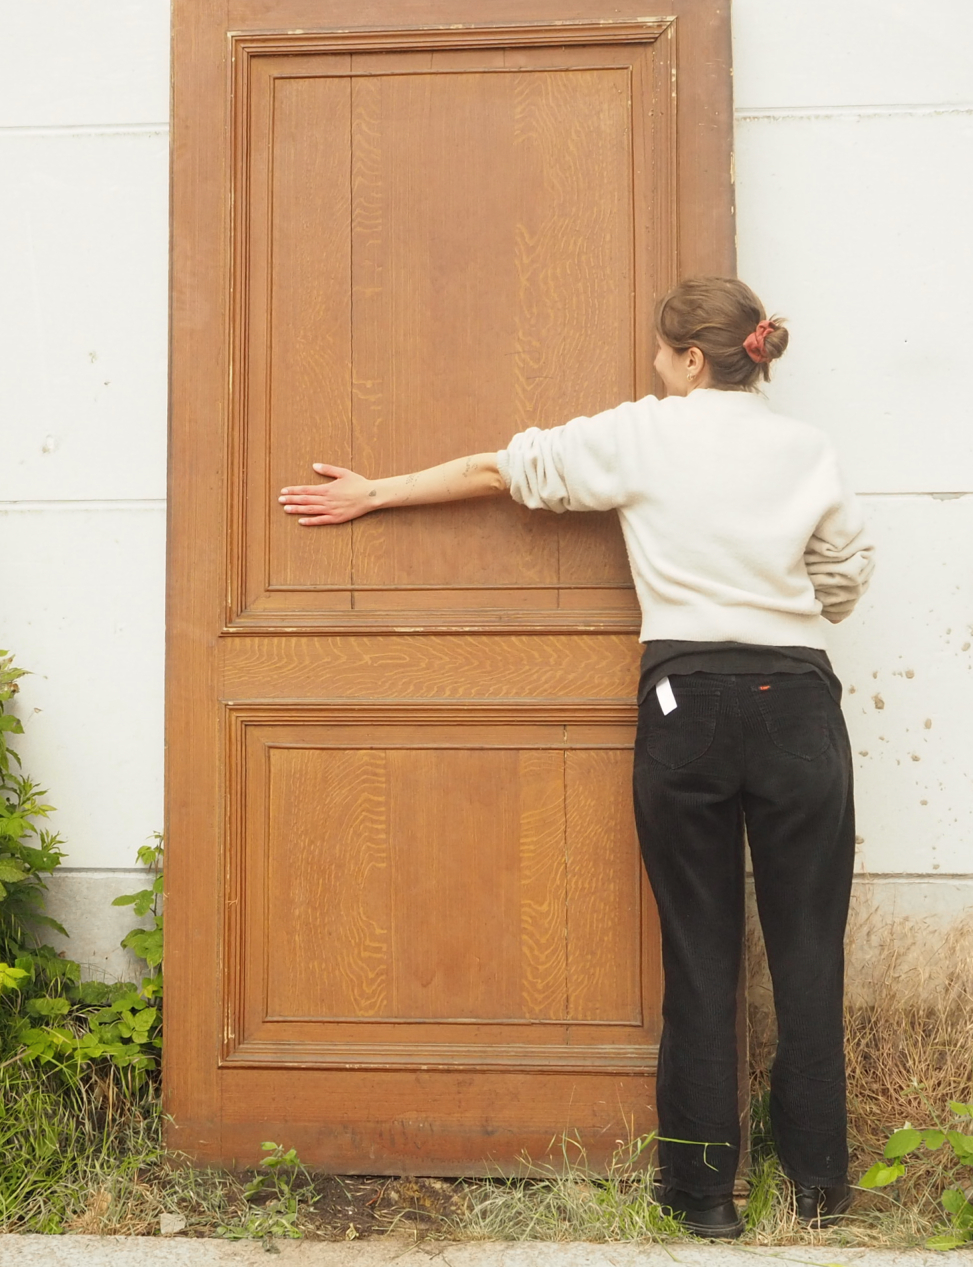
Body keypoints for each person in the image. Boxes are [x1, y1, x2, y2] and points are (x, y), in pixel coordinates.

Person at [277, 277, 874, 1239]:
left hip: (685, 700)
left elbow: (497, 469)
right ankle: (817, 1189)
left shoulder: (638, 435)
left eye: (660, 353)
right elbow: (844, 569)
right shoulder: (806, 447)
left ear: (691, 359)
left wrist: (374, 491)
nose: (654, 366)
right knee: (808, 950)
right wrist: (794, 617)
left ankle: (702, 1198)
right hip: (798, 702)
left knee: (699, 952)